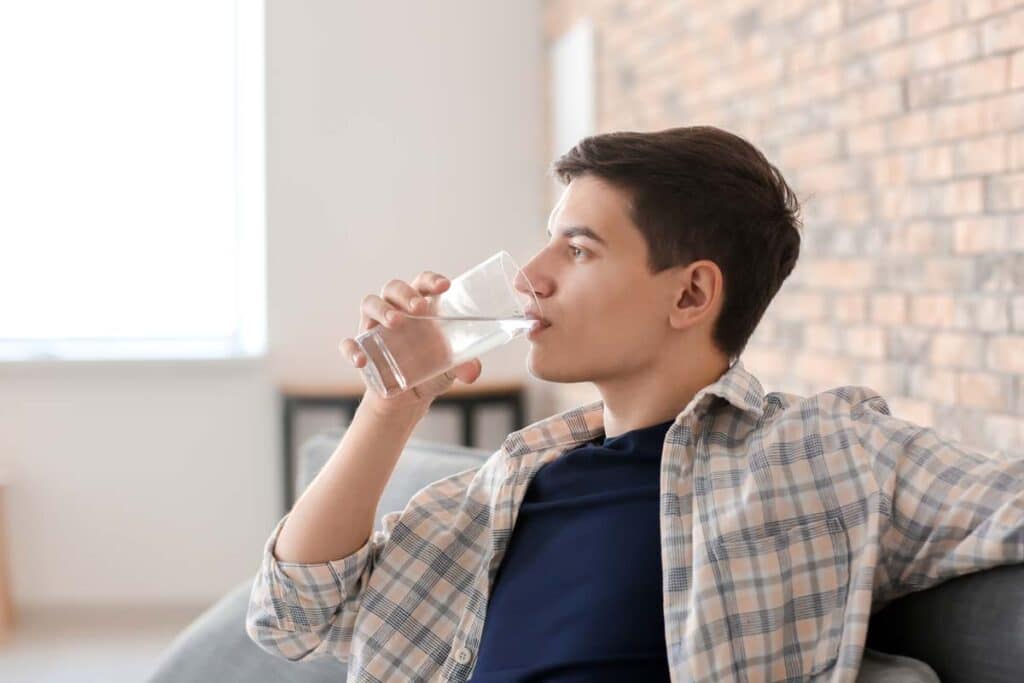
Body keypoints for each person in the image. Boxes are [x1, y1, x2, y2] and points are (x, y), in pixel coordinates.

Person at [245, 126, 1024, 682]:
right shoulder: (503, 489)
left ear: (690, 293)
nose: (529, 277)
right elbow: (290, 618)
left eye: (578, 249)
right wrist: (391, 408)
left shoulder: (826, 449)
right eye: (547, 241)